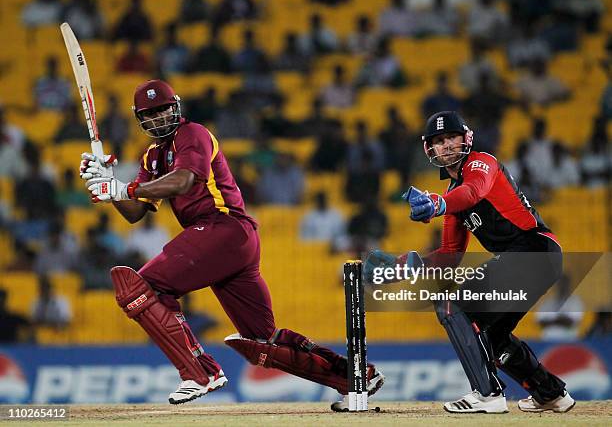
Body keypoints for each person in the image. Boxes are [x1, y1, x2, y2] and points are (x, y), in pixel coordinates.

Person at [78, 79, 384, 408]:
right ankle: (355, 377)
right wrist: (105, 182)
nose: (158, 119)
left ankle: (199, 373)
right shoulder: (153, 156)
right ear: (140, 119)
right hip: (229, 241)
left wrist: (124, 189)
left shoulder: (192, 133)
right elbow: (135, 213)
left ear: (176, 107)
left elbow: (183, 181)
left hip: (222, 228)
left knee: (140, 289)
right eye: (150, 115)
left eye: (163, 110)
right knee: (261, 341)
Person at [368, 111, 575, 414]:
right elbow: (449, 257)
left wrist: (438, 204)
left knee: (451, 305)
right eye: (439, 141)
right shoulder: (452, 198)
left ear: (465, 138)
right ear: (430, 150)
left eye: (451, 137)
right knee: (492, 336)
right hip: (530, 259)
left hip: (534, 249)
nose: (447, 145)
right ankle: (551, 394)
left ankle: (488, 395)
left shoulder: (482, 162)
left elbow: (473, 190)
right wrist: (403, 266)